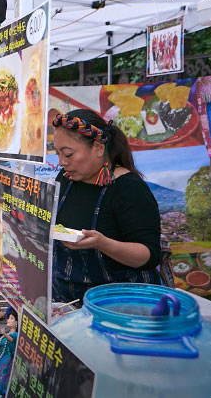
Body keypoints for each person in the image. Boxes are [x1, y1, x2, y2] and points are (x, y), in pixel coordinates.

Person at [51, 109, 162, 303]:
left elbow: (148, 255)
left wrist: (103, 243)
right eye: (58, 153)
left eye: (68, 154)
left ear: (98, 148)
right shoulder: (66, 178)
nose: (61, 162)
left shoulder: (129, 188)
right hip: (67, 301)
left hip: (120, 305)